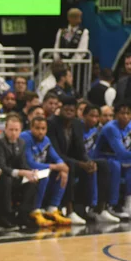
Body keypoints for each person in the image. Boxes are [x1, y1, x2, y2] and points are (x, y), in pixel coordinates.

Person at [47, 96, 96, 224]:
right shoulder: (51, 123)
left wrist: (88, 161)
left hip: (72, 160)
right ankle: (69, 210)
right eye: (66, 109)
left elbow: (80, 150)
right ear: (60, 109)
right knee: (70, 166)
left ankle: (91, 208)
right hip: (54, 161)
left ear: (75, 112)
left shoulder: (77, 124)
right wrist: (80, 163)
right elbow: (56, 152)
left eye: (72, 110)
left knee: (99, 165)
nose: (69, 112)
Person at [20, 117, 71, 226]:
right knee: (45, 174)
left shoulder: (46, 140)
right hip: (25, 172)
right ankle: (35, 210)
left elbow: (56, 157)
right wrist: (56, 166)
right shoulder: (25, 138)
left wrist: (62, 167)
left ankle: (52, 208)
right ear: (31, 128)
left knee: (62, 173)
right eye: (37, 128)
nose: (40, 132)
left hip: (37, 172)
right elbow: (30, 163)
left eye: (43, 128)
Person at [93, 101, 131, 219]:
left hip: (118, 159)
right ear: (116, 115)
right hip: (103, 158)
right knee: (118, 166)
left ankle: (129, 204)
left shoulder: (130, 128)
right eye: (122, 113)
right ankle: (112, 205)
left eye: (128, 113)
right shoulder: (111, 128)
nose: (125, 116)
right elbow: (121, 152)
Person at [0, 113, 40, 228]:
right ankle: (5, 216)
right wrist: (21, 172)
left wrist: (31, 172)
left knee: (33, 181)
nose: (13, 133)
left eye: (16, 130)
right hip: (0, 177)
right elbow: (1, 166)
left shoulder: (21, 142)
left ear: (20, 130)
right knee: (6, 180)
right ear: (5, 129)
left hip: (14, 176)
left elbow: (23, 163)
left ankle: (23, 214)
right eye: (11, 130)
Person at [82, 104, 120, 223]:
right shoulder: (77, 128)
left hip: (94, 159)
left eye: (96, 116)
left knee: (108, 164)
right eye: (91, 116)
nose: (94, 119)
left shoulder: (98, 130)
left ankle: (102, 208)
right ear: (83, 116)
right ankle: (93, 207)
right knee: (99, 165)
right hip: (80, 160)